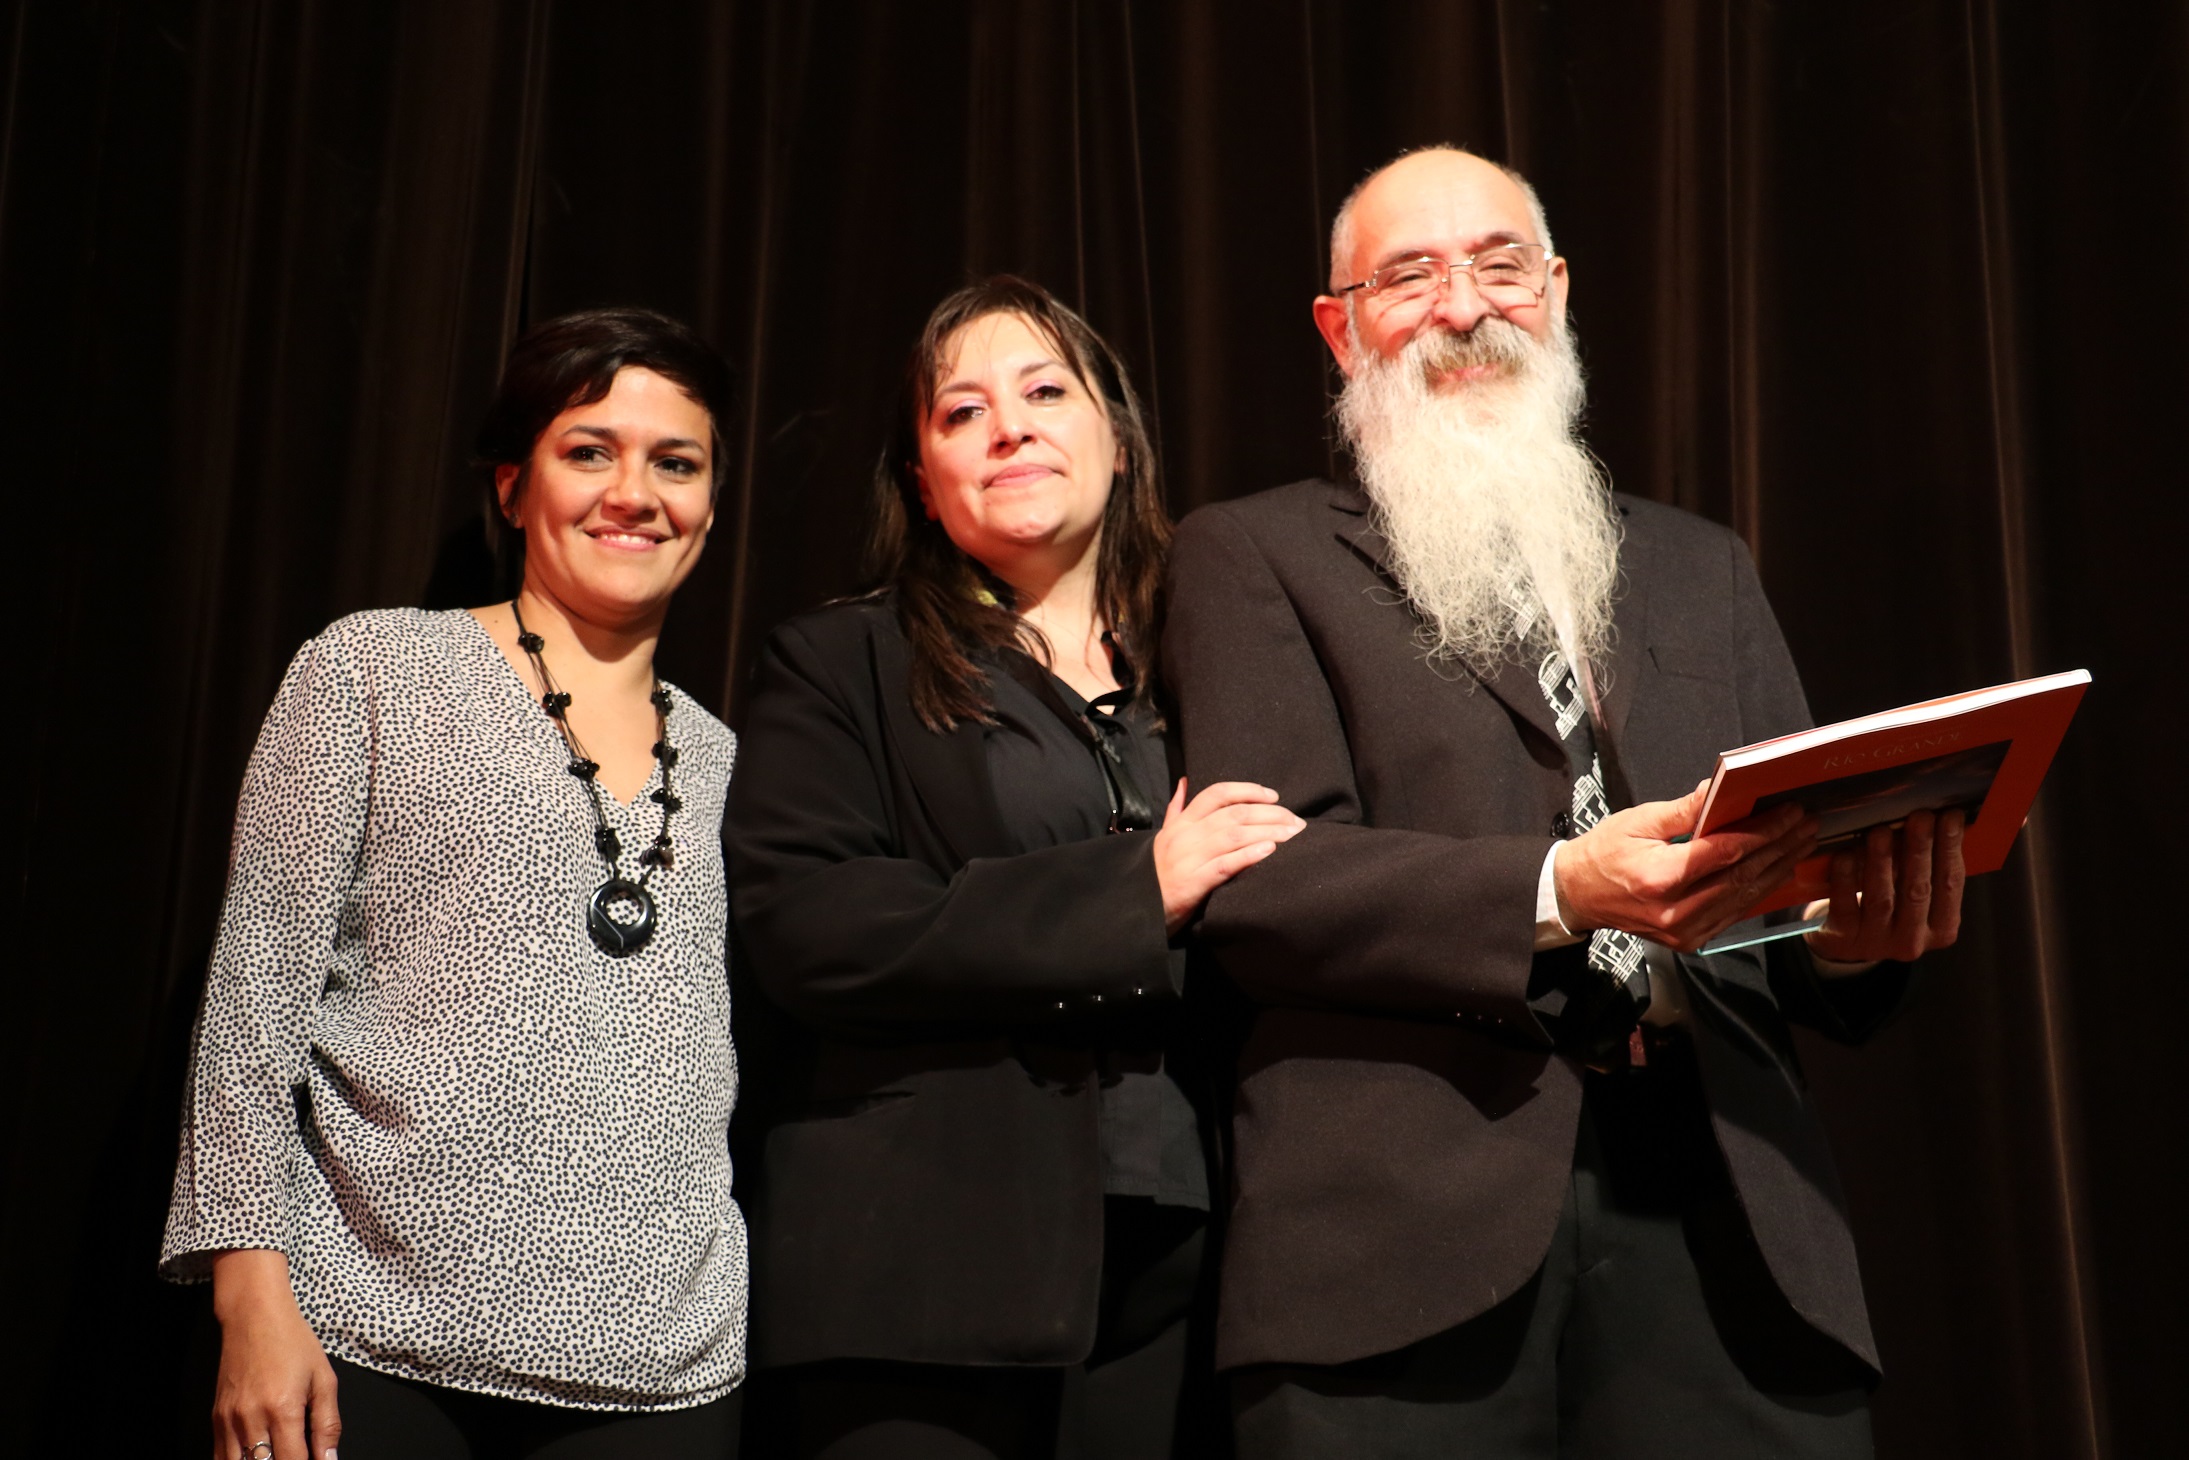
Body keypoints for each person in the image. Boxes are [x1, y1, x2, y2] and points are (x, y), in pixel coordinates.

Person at [1161, 147, 1967, 1458]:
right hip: (1404, 1229)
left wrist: (1846, 939)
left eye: (1499, 267)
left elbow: (1796, 880)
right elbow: (1259, 880)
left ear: (1556, 291)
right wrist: (1556, 891)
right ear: (1339, 324)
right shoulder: (1257, 554)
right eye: (1408, 276)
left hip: (1724, 1215)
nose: (1465, 308)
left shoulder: (1701, 563)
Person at [724, 275, 1301, 1459]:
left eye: (1045, 390)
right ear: (923, 486)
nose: (1010, 425)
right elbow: (811, 923)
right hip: (921, 1273)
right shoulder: (842, 661)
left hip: (1183, 1271)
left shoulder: (1218, 668)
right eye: (960, 413)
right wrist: (1131, 890)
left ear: (1119, 441)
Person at [161, 308, 748, 1460]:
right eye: (589, 451)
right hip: (372, 1347)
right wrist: (248, 1293)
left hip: (663, 1374)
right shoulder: (375, 669)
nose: (634, 491)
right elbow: (253, 996)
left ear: (711, 505)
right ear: (512, 485)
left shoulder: (724, 753)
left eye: (674, 462)